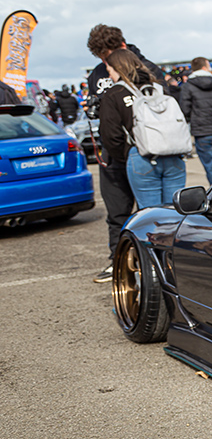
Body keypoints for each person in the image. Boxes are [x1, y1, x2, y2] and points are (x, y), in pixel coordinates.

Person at [86, 24, 169, 283]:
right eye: (100, 58)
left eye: (107, 57)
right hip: (112, 155)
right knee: (117, 212)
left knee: (152, 212)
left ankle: (157, 263)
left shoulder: (147, 68)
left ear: (120, 47)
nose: (105, 63)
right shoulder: (98, 73)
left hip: (145, 153)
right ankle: (119, 260)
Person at [101, 49, 186, 209]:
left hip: (141, 155)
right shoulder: (158, 88)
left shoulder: (114, 94)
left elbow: (111, 135)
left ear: (117, 68)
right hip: (173, 152)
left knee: (150, 213)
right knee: (175, 211)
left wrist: (126, 156)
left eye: (109, 71)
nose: (109, 76)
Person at [178, 57, 212, 185]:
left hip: (202, 131)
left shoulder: (188, 86)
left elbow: (185, 109)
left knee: (209, 166)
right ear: (204, 67)